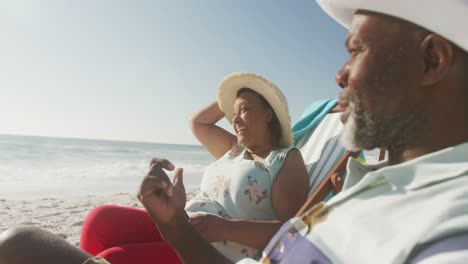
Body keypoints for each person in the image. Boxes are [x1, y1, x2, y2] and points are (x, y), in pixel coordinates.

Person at [1, 0, 468, 263]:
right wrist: (176, 225)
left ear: (432, 60)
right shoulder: (374, 188)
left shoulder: (443, 227)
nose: (339, 75)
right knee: (63, 231)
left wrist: (211, 227)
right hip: (204, 242)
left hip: (219, 241)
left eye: (354, 51)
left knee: (22, 246)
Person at [77, 72, 309, 263]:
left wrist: (226, 229)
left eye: (245, 110)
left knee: (113, 258)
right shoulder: (234, 149)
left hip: (212, 251)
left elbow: (294, 233)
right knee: (101, 220)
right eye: (233, 113)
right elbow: (197, 122)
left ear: (269, 114)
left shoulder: (284, 159)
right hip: (184, 224)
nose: (234, 119)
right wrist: (238, 91)